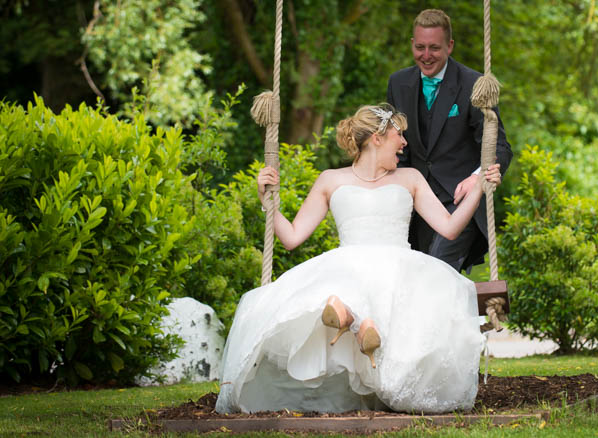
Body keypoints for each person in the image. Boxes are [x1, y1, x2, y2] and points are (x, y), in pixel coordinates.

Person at [215, 104, 502, 415]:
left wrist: (479, 189)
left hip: (398, 265)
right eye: (399, 134)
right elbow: (292, 237)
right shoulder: (330, 179)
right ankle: (354, 320)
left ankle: (353, 319)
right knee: (344, 282)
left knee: (399, 292)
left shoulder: (410, 178)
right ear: (377, 138)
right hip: (347, 261)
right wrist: (266, 202)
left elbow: (449, 228)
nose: (404, 142)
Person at [387, 9, 513, 274]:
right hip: (415, 201)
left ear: (450, 46)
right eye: (420, 47)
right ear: (412, 44)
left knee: (437, 267)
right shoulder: (398, 83)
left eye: (434, 47)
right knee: (414, 274)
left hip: (460, 198)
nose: (426, 55)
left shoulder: (473, 83)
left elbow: (499, 146)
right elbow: (392, 142)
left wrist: (477, 178)